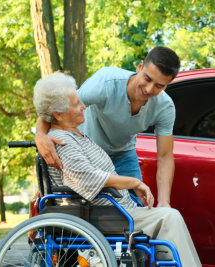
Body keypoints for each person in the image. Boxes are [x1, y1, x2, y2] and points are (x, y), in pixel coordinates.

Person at [33, 72, 202, 266]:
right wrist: (134, 182)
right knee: (169, 217)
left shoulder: (76, 136)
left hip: (114, 210)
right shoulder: (64, 142)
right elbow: (87, 179)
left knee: (168, 219)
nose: (84, 106)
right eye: (77, 104)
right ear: (58, 114)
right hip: (105, 214)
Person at [35, 46, 180, 207]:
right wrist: (40, 136)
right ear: (140, 67)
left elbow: (165, 157)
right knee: (91, 209)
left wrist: (165, 202)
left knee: (138, 209)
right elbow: (59, 107)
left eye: (159, 86)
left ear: (167, 85)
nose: (149, 89)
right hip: (88, 153)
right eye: (147, 78)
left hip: (123, 154)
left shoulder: (165, 107)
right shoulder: (105, 82)